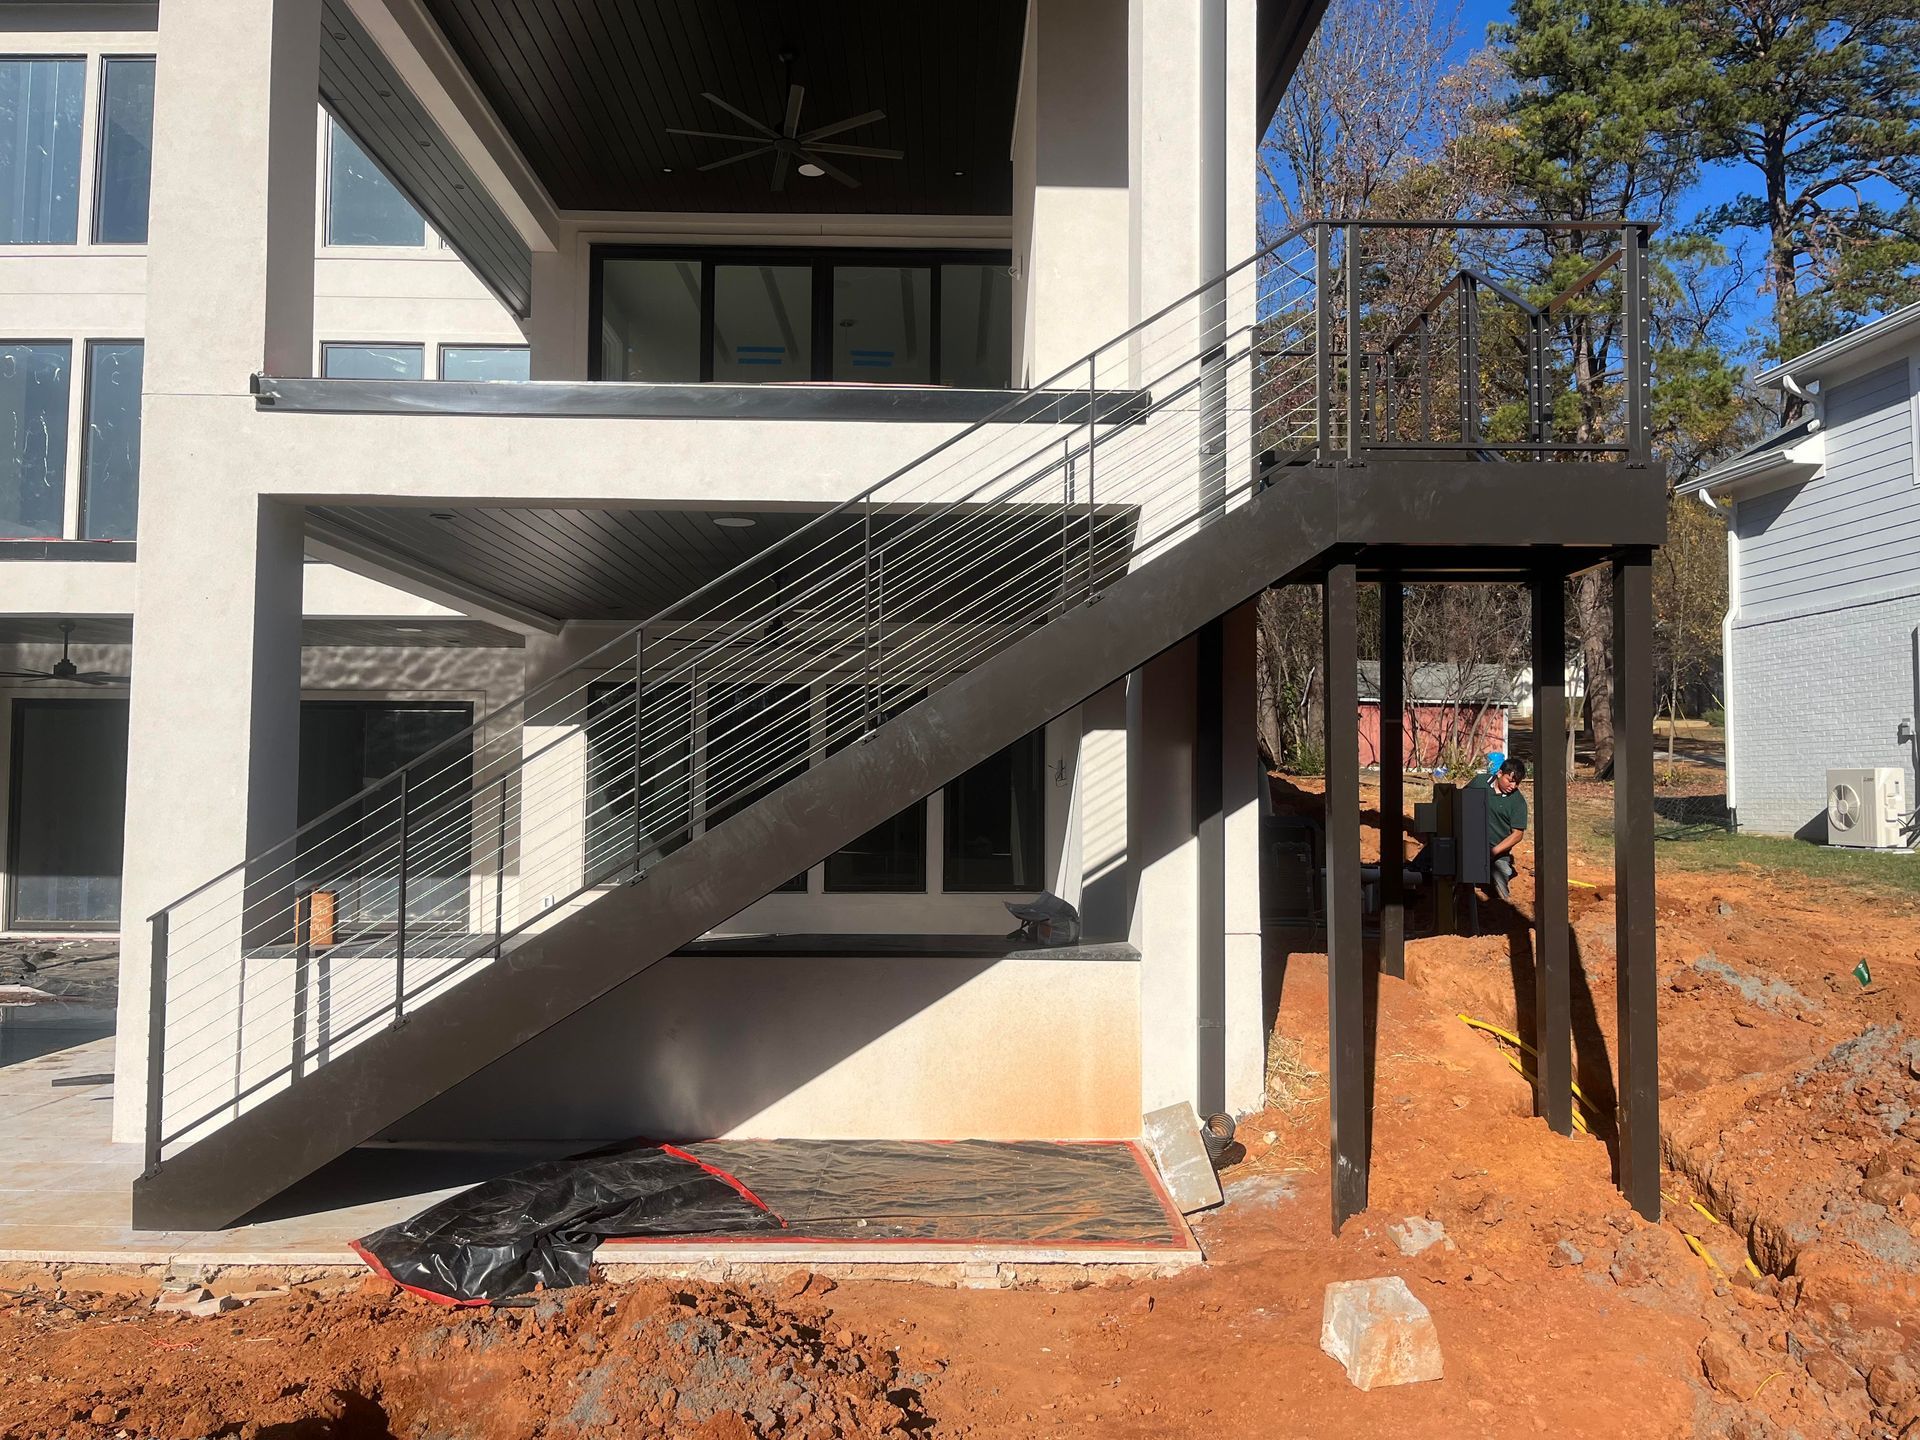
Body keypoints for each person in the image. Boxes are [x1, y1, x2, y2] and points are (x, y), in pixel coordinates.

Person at [1466, 757, 1528, 901]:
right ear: (1499, 773)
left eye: (1517, 783)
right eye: (1510, 780)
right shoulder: (1479, 782)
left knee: (1501, 889)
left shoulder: (1517, 802)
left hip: (1496, 853)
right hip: (1470, 843)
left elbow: (1517, 834)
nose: (1513, 786)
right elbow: (1462, 800)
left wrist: (1493, 853)